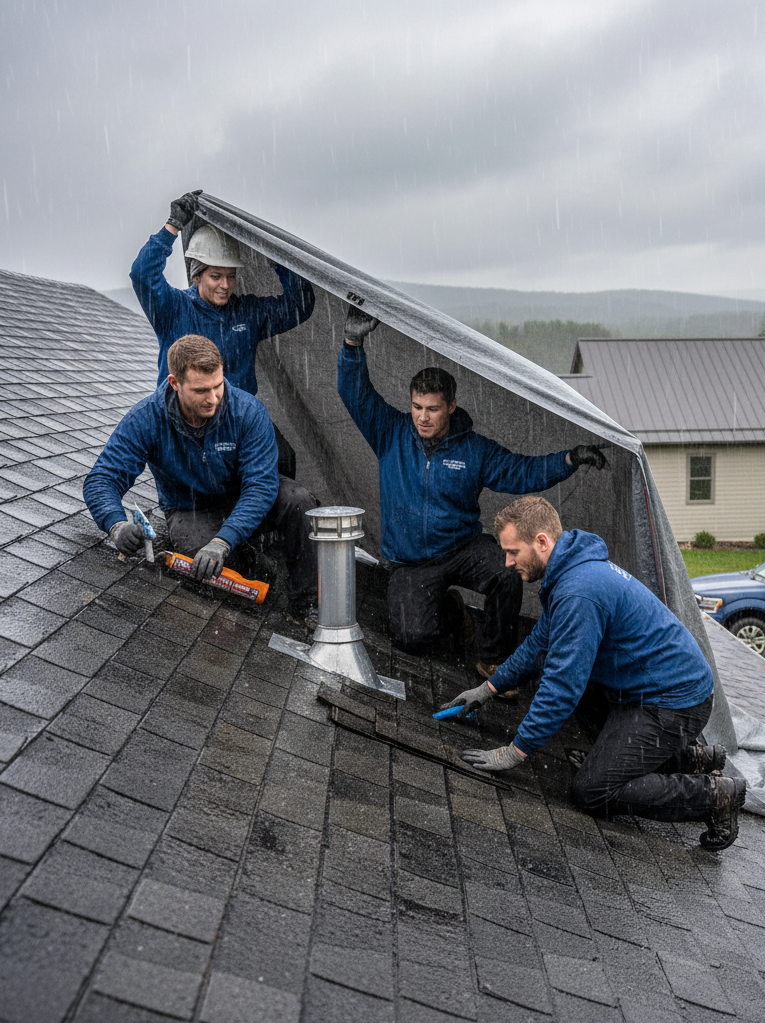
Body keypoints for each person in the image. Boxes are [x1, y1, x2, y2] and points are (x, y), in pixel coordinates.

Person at [443, 496, 746, 851]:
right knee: (546, 663)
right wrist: (488, 689)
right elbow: (540, 643)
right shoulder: (571, 572)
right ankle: (691, 759)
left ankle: (715, 796)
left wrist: (515, 751)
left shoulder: (579, 591)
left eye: (513, 552)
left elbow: (563, 686)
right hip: (647, 691)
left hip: (675, 703)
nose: (507, 563)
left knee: (593, 790)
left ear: (542, 542)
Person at [337, 307, 608, 679]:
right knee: (411, 637)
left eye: (433, 409)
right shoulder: (390, 432)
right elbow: (354, 393)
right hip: (411, 561)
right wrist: (352, 342)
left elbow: (521, 472)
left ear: (451, 406)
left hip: (462, 548)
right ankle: (451, 610)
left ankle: (494, 659)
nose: (423, 418)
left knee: (508, 571)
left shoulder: (474, 449)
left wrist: (569, 459)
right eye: (417, 407)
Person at [83, 335, 318, 620]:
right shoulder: (146, 419)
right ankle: (249, 560)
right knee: (201, 566)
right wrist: (116, 525)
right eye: (201, 390)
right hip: (189, 509)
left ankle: (305, 606)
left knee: (301, 501)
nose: (213, 398)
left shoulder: (248, 412)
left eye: (218, 386)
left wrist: (222, 540)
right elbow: (102, 478)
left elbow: (260, 486)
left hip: (243, 495)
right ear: (174, 383)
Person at [131, 191, 316, 396]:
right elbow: (142, 274)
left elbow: (300, 305)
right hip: (182, 423)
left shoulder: (247, 312)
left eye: (231, 276)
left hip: (235, 422)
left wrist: (279, 260)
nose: (225, 285)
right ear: (197, 277)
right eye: (216, 276)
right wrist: (172, 227)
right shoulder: (174, 308)